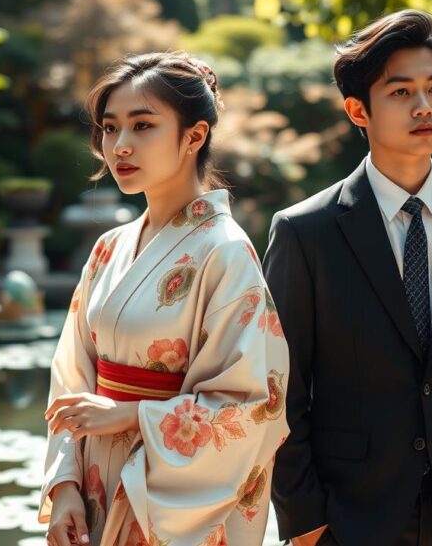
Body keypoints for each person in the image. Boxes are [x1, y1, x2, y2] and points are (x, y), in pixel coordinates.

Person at [266, 10, 432, 546]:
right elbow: (281, 391)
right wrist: (303, 516)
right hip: (347, 517)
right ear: (357, 110)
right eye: (401, 92)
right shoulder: (305, 233)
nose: (424, 106)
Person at [38, 51, 290, 546]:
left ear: (194, 136)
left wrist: (132, 415)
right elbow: (71, 375)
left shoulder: (225, 252)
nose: (120, 146)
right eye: (110, 129)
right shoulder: (108, 248)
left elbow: (249, 406)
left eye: (143, 126)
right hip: (93, 485)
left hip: (165, 498)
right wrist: (65, 485)